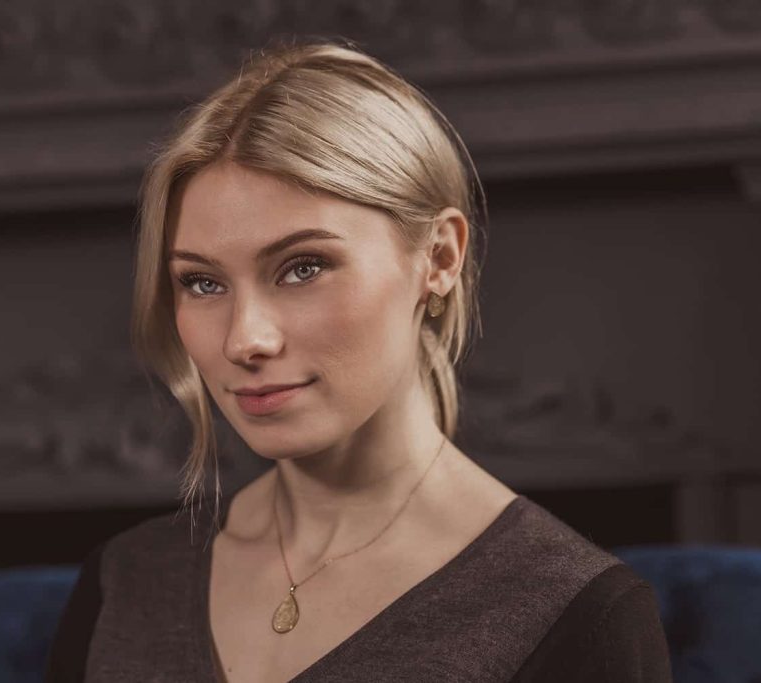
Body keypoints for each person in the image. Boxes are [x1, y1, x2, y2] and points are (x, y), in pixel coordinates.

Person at [44, 38, 672, 682]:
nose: (244, 340)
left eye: (303, 267)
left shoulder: (576, 612)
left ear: (440, 258)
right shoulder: (124, 580)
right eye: (203, 283)